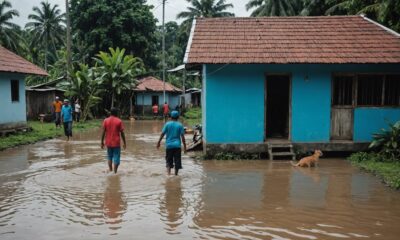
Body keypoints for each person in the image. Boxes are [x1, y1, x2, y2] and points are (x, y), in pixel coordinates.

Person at [157, 110, 187, 176]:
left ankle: (168, 175)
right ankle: (176, 175)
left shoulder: (167, 124)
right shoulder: (180, 125)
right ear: (178, 117)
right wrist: (185, 147)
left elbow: (162, 134)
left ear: (170, 117)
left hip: (169, 145)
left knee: (168, 161)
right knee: (177, 161)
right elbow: (183, 137)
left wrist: (159, 142)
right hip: (177, 146)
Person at [101, 107, 126, 174]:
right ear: (116, 113)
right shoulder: (119, 121)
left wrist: (101, 142)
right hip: (116, 143)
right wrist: (124, 142)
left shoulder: (106, 120)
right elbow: (122, 133)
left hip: (108, 142)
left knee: (109, 157)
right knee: (116, 157)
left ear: (110, 113)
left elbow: (103, 132)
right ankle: (115, 172)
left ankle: (110, 170)